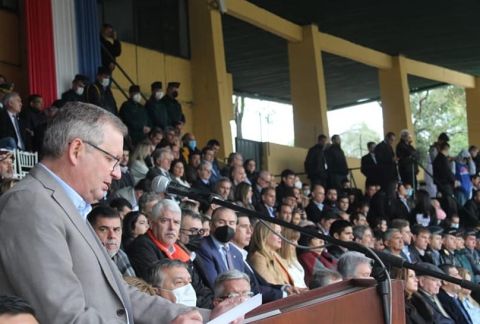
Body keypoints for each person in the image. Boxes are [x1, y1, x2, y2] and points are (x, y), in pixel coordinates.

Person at [0, 102, 233, 322]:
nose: (117, 174)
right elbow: (63, 316)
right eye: (112, 159)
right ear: (76, 150)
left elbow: (122, 295)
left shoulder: (70, 206)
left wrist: (206, 317)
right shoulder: (29, 204)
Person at [125, 199, 214, 308]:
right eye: (165, 221)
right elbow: (163, 292)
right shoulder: (141, 247)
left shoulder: (179, 249)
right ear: (152, 224)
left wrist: (213, 303)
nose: (171, 228)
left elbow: (199, 287)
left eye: (176, 222)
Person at [195, 208, 245, 289]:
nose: (227, 227)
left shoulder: (237, 253)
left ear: (236, 227)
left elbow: (244, 281)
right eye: (221, 222)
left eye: (231, 223)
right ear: (211, 225)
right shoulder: (203, 247)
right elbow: (214, 284)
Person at [87, 206, 136, 276]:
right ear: (89, 231)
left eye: (116, 229)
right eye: (103, 229)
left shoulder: (120, 255)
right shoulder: (84, 261)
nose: (112, 236)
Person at [248, 222, 297, 290]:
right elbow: (272, 286)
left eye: (280, 233)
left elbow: (287, 283)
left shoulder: (275, 255)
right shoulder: (258, 258)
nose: (280, 236)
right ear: (264, 235)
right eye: (276, 233)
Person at [374, 132, 398, 198]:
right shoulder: (379, 146)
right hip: (385, 175)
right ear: (386, 137)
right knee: (388, 193)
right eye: (391, 139)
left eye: (393, 140)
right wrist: (391, 159)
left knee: (392, 192)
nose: (392, 142)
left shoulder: (390, 147)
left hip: (392, 174)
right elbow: (379, 159)